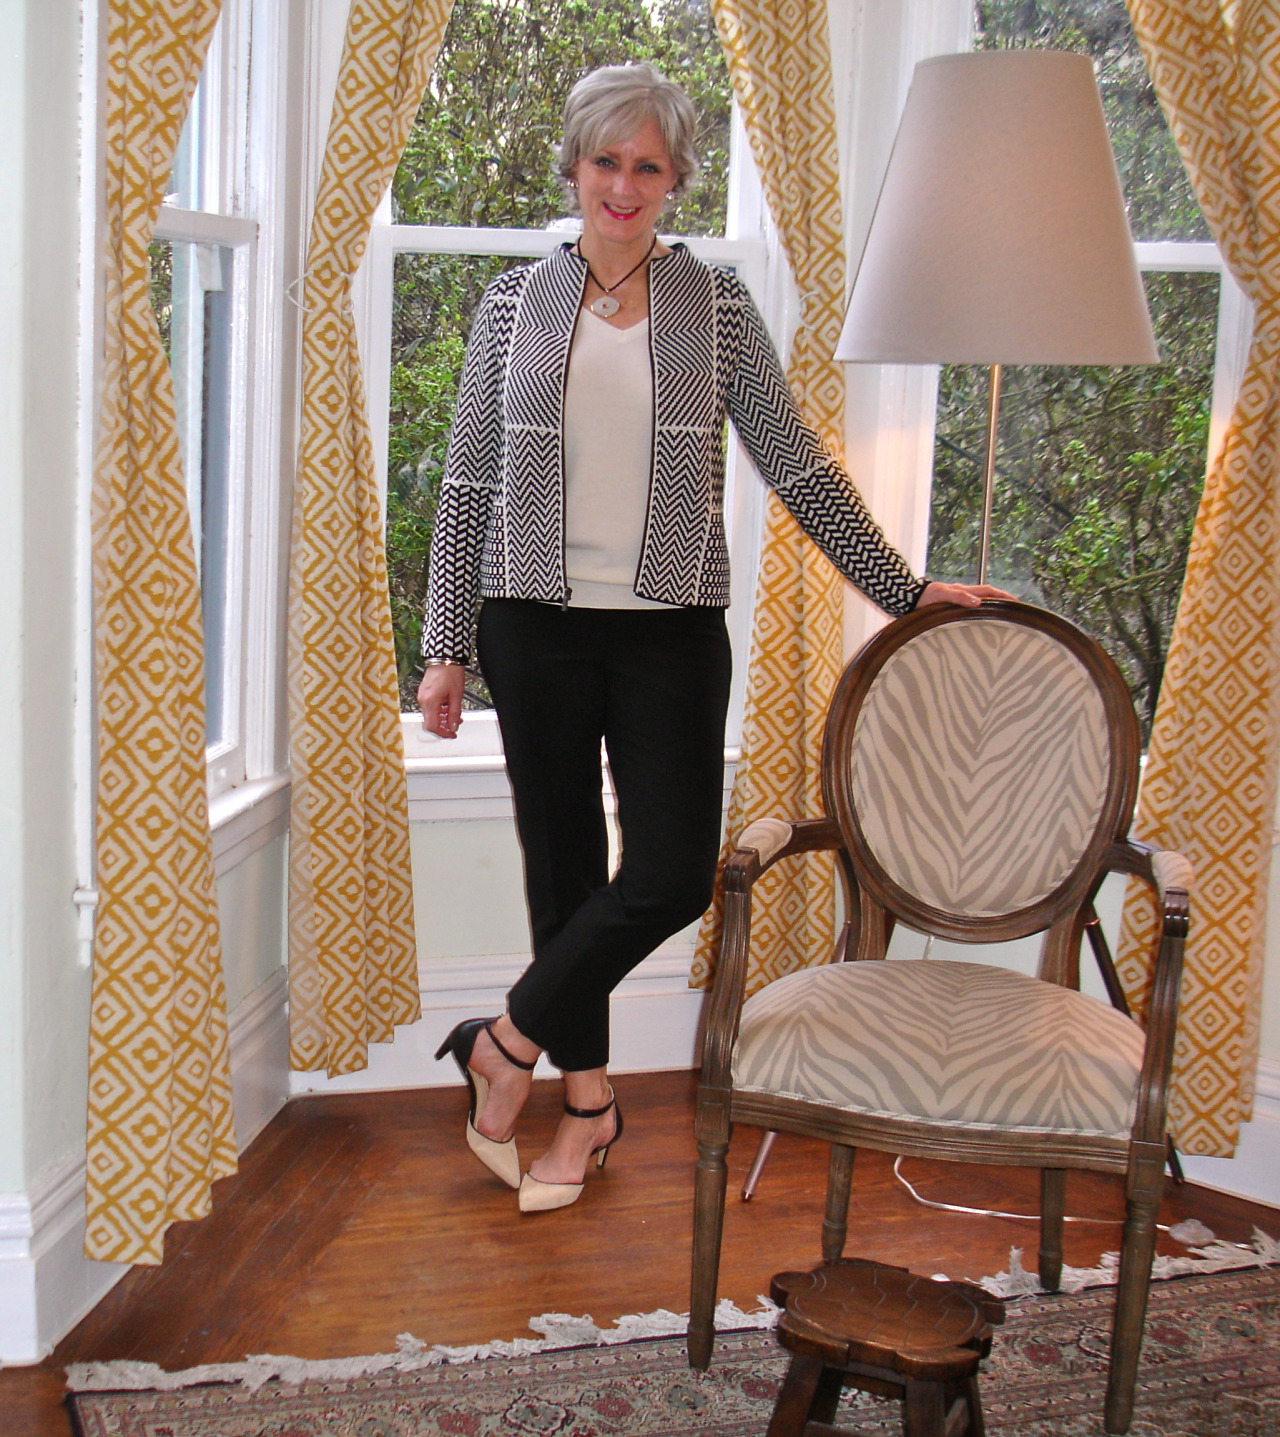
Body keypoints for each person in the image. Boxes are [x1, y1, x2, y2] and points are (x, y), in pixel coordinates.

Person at [420, 62, 1006, 1214]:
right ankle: (587, 1110)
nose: (623, 185)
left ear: (674, 180)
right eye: (606, 160)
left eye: (647, 165)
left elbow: (794, 463)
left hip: (670, 634)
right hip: (530, 628)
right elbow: (467, 481)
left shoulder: (717, 308)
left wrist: (903, 588)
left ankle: (502, 1044)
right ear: (574, 167)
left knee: (671, 874)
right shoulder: (510, 304)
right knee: (563, 875)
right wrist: (446, 645)